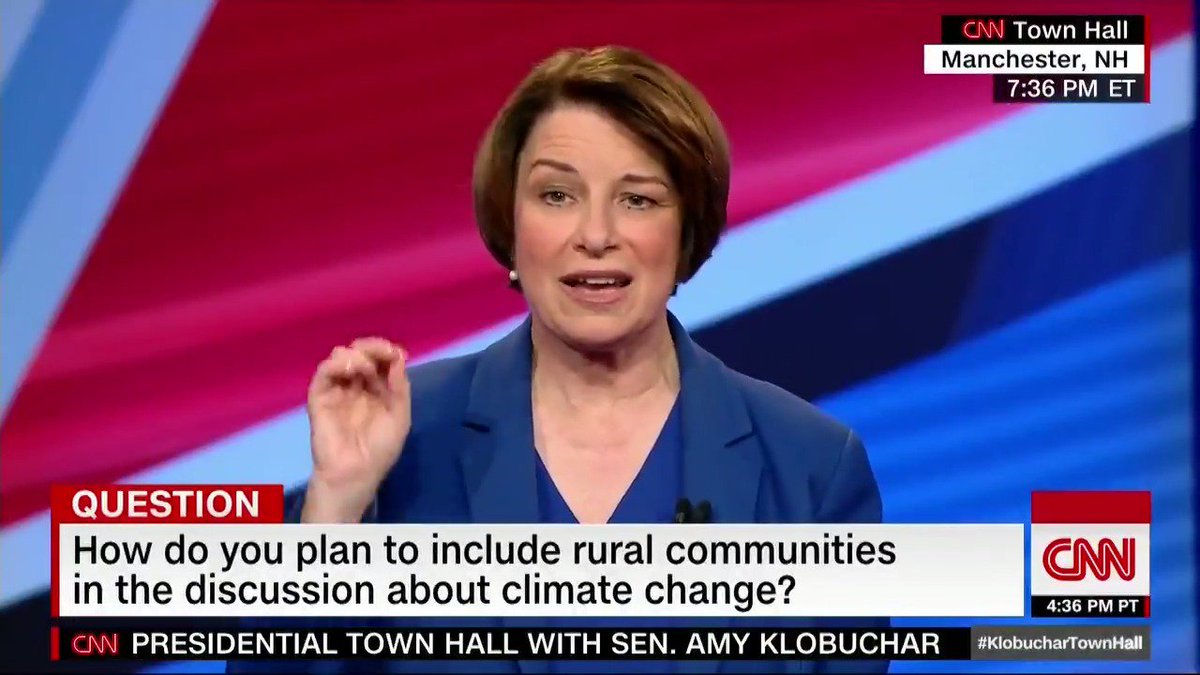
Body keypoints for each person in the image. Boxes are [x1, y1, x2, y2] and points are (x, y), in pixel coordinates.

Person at [229, 45, 886, 674]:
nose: (595, 236)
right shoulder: (397, 447)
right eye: (557, 196)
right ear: (510, 223)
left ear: (686, 231)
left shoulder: (810, 468)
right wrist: (335, 509)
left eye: (637, 199)